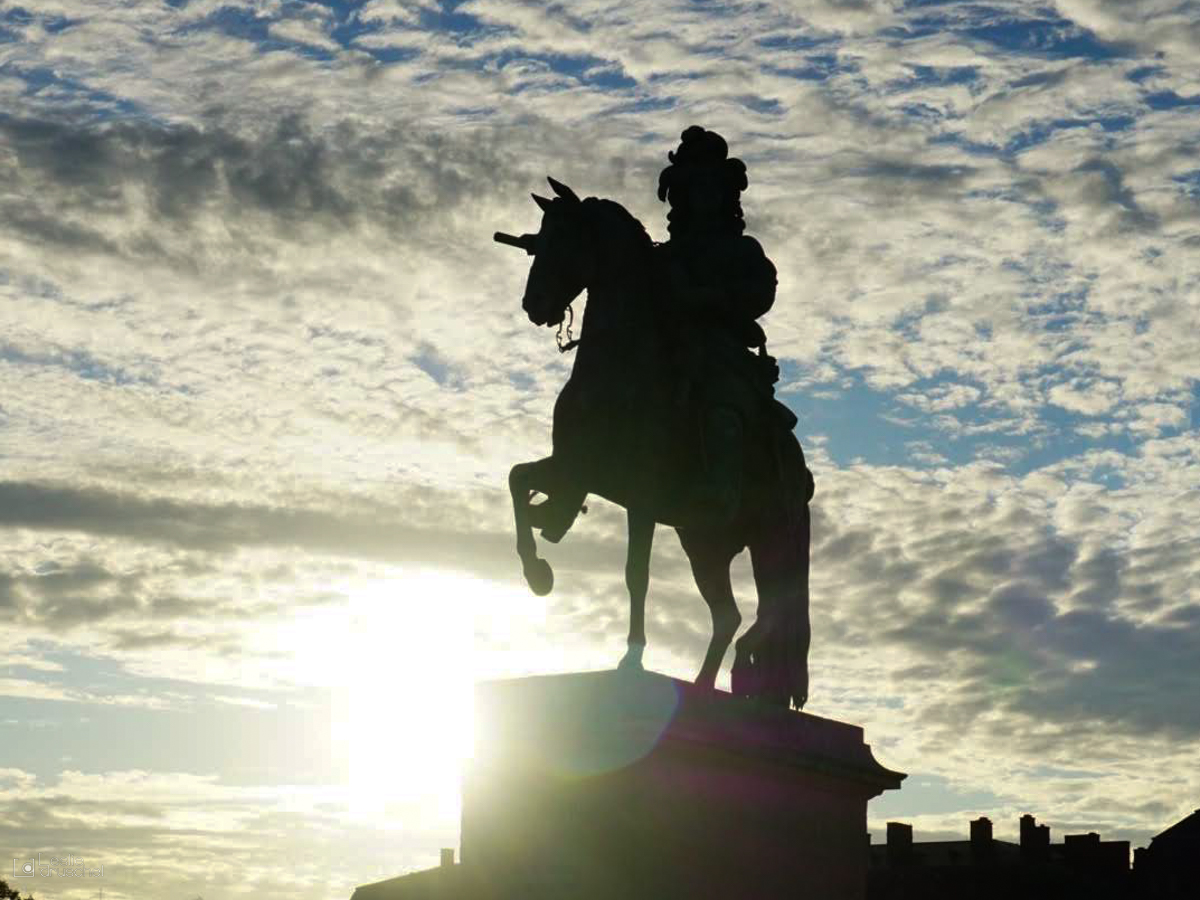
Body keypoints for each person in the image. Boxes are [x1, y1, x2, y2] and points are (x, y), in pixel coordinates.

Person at [653, 126, 781, 526]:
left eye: (710, 191)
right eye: (693, 191)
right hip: (667, 352)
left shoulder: (741, 250)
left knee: (722, 409)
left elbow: (761, 291)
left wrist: (713, 299)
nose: (702, 200)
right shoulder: (664, 256)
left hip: (722, 355)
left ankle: (723, 489)